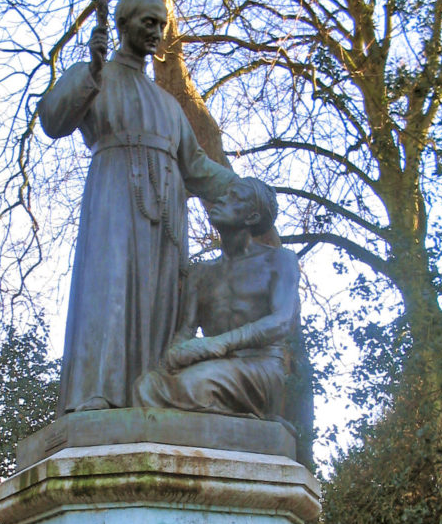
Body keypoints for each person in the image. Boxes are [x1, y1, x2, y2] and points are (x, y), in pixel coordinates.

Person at [38, 0, 235, 414]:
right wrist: (88, 72)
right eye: (148, 23)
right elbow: (54, 120)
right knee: (110, 289)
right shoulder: (96, 76)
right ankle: (100, 392)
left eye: (161, 25)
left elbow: (196, 166)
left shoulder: (167, 103)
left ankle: (154, 396)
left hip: (166, 216)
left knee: (161, 298)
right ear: (123, 25)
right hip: (114, 200)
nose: (157, 33)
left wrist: (241, 187)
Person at [134, 176, 313, 464]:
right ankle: (229, 430)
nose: (219, 201)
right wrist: (173, 355)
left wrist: (216, 345)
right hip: (214, 366)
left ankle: (245, 427)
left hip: (261, 366)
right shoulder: (201, 273)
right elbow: (186, 331)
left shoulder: (279, 260)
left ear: (251, 216)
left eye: (233, 198)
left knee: (194, 385)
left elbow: (281, 321)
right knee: (146, 387)